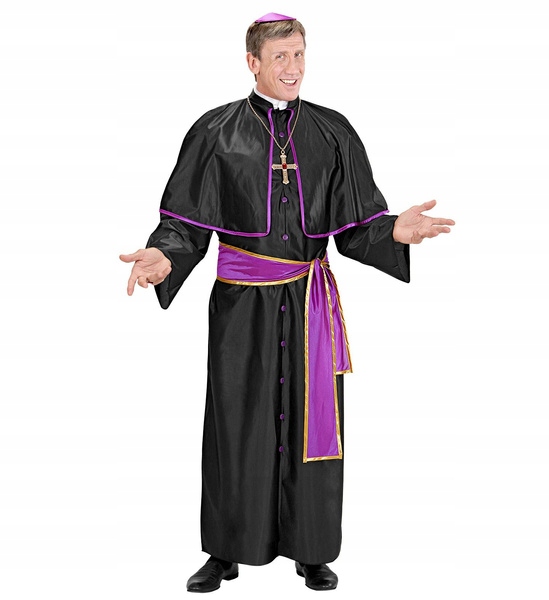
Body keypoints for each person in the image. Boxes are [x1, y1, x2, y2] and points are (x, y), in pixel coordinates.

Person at [120, 12, 455, 593]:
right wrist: (164, 256)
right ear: (253, 62)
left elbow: (357, 225)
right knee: (235, 423)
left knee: (311, 422)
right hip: (240, 307)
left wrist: (393, 232)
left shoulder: (332, 131)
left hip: (308, 303)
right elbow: (185, 223)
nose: (293, 66)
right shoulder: (214, 132)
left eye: (299, 54)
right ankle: (225, 551)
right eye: (280, 56)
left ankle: (311, 548)